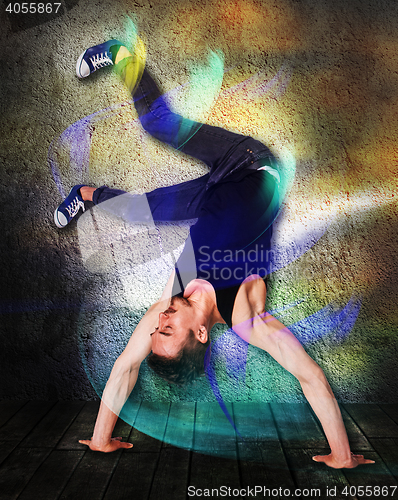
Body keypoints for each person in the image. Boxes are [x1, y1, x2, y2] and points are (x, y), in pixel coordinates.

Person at [54, 39, 374, 468]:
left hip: (208, 197)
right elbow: (308, 374)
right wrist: (342, 454)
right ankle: (122, 52)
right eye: (167, 330)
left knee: (135, 210)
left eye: (156, 330)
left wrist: (99, 440)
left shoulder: (171, 302)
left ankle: (86, 194)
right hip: (251, 166)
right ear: (200, 334)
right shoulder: (245, 314)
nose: (159, 321)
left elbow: (126, 367)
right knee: (159, 124)